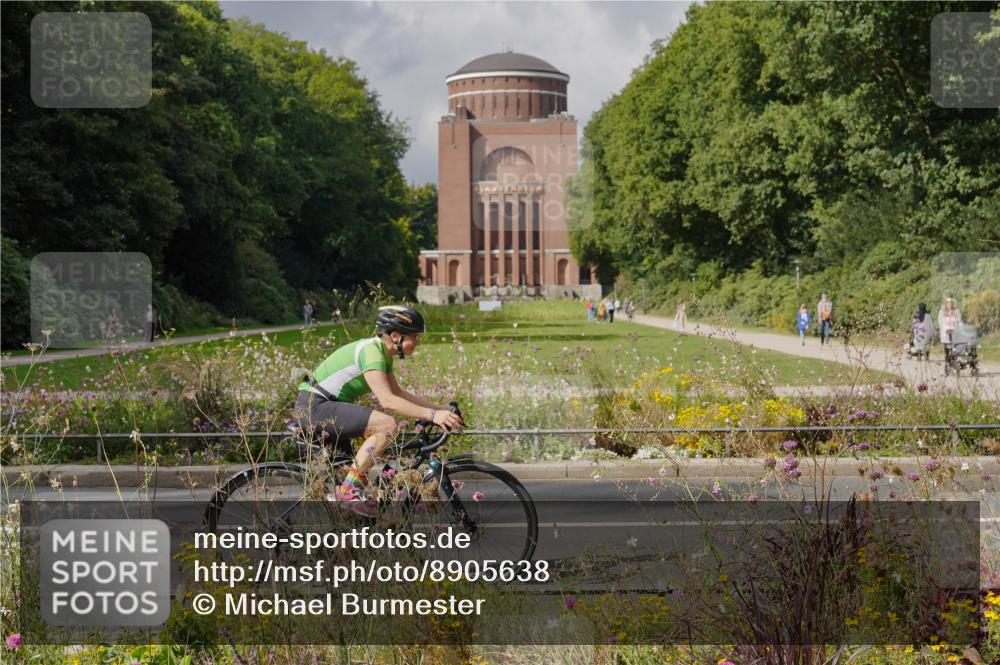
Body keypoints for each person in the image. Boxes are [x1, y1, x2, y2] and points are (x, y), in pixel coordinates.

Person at [295, 305, 463, 515]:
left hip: (328, 407)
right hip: (315, 407)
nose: (418, 342)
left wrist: (442, 409)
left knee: (353, 509)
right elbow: (388, 401)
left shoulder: (383, 355)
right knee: (387, 425)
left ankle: (350, 526)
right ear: (395, 336)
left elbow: (399, 394)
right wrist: (434, 416)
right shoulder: (372, 351)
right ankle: (348, 490)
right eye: (414, 337)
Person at [938, 297, 962, 361]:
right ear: (946, 303)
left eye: (951, 302)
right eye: (948, 302)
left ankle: (953, 359)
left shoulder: (956, 311)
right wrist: (944, 330)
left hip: (954, 332)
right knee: (947, 349)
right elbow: (940, 322)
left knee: (954, 348)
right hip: (945, 333)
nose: (950, 304)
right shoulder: (942, 311)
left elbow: (960, 321)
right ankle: (947, 360)